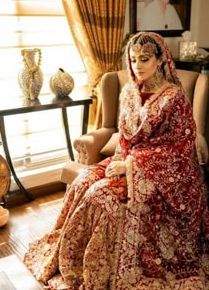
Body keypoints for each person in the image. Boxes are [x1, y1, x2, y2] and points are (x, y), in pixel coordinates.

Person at [24, 32, 209, 289]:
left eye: (145, 59)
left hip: (161, 175)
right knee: (83, 180)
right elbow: (124, 136)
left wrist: (130, 166)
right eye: (133, 60)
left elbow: (179, 148)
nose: (138, 66)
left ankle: (94, 269)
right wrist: (119, 159)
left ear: (160, 60)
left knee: (100, 197)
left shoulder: (173, 98)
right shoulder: (131, 93)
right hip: (128, 160)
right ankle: (67, 256)